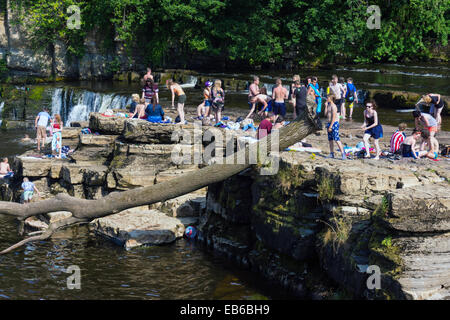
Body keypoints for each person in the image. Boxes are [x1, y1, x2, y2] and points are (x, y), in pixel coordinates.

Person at [324, 94, 346, 160]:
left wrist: (330, 126)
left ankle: (343, 154)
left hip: (334, 124)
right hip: (329, 124)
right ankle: (331, 153)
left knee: (336, 139)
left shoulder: (334, 106)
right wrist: (325, 106)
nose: (326, 99)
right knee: (330, 140)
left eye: (327, 98)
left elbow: (334, 117)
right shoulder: (328, 105)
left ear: (331, 98)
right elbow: (325, 114)